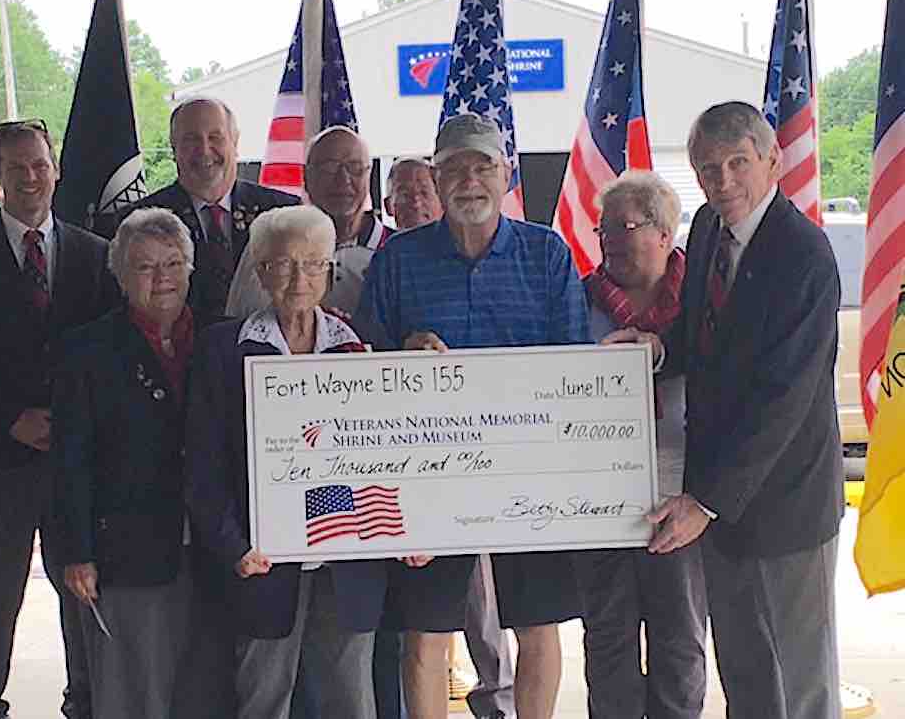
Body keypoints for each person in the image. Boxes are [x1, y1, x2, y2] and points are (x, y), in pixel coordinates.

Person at [607, 101, 843, 718]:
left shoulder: (804, 256)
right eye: (708, 168)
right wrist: (659, 347)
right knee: (746, 677)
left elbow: (782, 400)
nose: (724, 180)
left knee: (799, 684)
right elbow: (706, 332)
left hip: (784, 508)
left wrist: (704, 500)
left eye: (739, 163)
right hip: (724, 514)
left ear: (772, 161)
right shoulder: (710, 230)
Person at [355, 113, 590, 719]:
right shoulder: (400, 260)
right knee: (425, 636)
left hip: (530, 469)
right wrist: (400, 354)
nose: (469, 180)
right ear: (434, 179)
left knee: (536, 628)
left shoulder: (547, 254)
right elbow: (363, 365)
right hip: (429, 474)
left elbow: (574, 364)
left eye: (482, 166)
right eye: (453, 168)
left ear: (506, 175)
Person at [0, 119, 118, 719]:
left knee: (84, 601)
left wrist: (71, 423)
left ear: (55, 167)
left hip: (75, 461)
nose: (30, 177)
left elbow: (107, 351)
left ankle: (87, 706)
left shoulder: (94, 254)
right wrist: (12, 418)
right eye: (16, 168)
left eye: (38, 164)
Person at [186, 205, 387, 719]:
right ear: (260, 272)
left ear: (329, 272)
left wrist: (408, 535)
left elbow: (392, 458)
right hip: (262, 561)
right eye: (283, 264)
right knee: (263, 698)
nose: (299, 278)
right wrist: (233, 545)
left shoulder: (362, 350)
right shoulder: (222, 350)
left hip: (348, 559)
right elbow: (203, 465)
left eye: (313, 264)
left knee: (351, 700)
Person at [53, 207, 208, 719]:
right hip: (129, 551)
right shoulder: (87, 351)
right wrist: (78, 552)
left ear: (190, 268)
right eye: (144, 267)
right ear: (120, 276)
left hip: (214, 549)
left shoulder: (221, 340)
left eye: (172, 263)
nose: (161, 278)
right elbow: (71, 458)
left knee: (202, 691)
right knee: (135, 693)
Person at [383, 155, 515, 719]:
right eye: (403, 193)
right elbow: (368, 351)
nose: (414, 201)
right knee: (430, 623)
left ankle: (498, 702)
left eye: (421, 191)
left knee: (498, 607)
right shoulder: (396, 260)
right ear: (389, 204)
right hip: (422, 472)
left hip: (514, 460)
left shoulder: (533, 254)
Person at [577, 170, 707, 718]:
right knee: (607, 637)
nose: (609, 240)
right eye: (603, 229)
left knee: (679, 636)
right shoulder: (578, 299)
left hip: (680, 491)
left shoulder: (702, 298)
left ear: (663, 231)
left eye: (623, 227)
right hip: (597, 494)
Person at [130, 96, 299, 325]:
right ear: (173, 149)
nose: (204, 150)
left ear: (235, 142)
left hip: (264, 355)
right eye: (191, 139)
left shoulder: (286, 214)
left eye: (215, 137)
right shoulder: (139, 224)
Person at [226, 126, 394, 318]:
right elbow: (236, 324)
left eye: (355, 168)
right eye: (329, 167)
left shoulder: (395, 251)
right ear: (306, 177)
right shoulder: (268, 243)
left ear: (368, 175)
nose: (343, 179)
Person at [384, 156, 443, 232]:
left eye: (424, 193)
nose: (416, 204)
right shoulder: (384, 243)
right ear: (388, 206)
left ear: (442, 202)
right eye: (404, 194)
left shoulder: (460, 241)